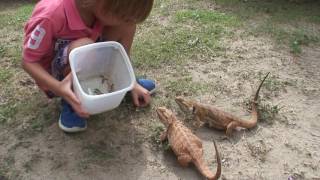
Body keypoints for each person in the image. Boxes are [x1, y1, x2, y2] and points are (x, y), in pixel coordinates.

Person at [22, 0, 156, 133]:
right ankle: (73, 100)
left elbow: (122, 26)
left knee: (126, 26)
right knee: (84, 46)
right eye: (121, 14)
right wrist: (59, 87)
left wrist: (131, 83)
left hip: (90, 54)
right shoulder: (50, 15)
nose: (125, 19)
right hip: (58, 79)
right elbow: (28, 62)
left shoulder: (96, 8)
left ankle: (124, 81)